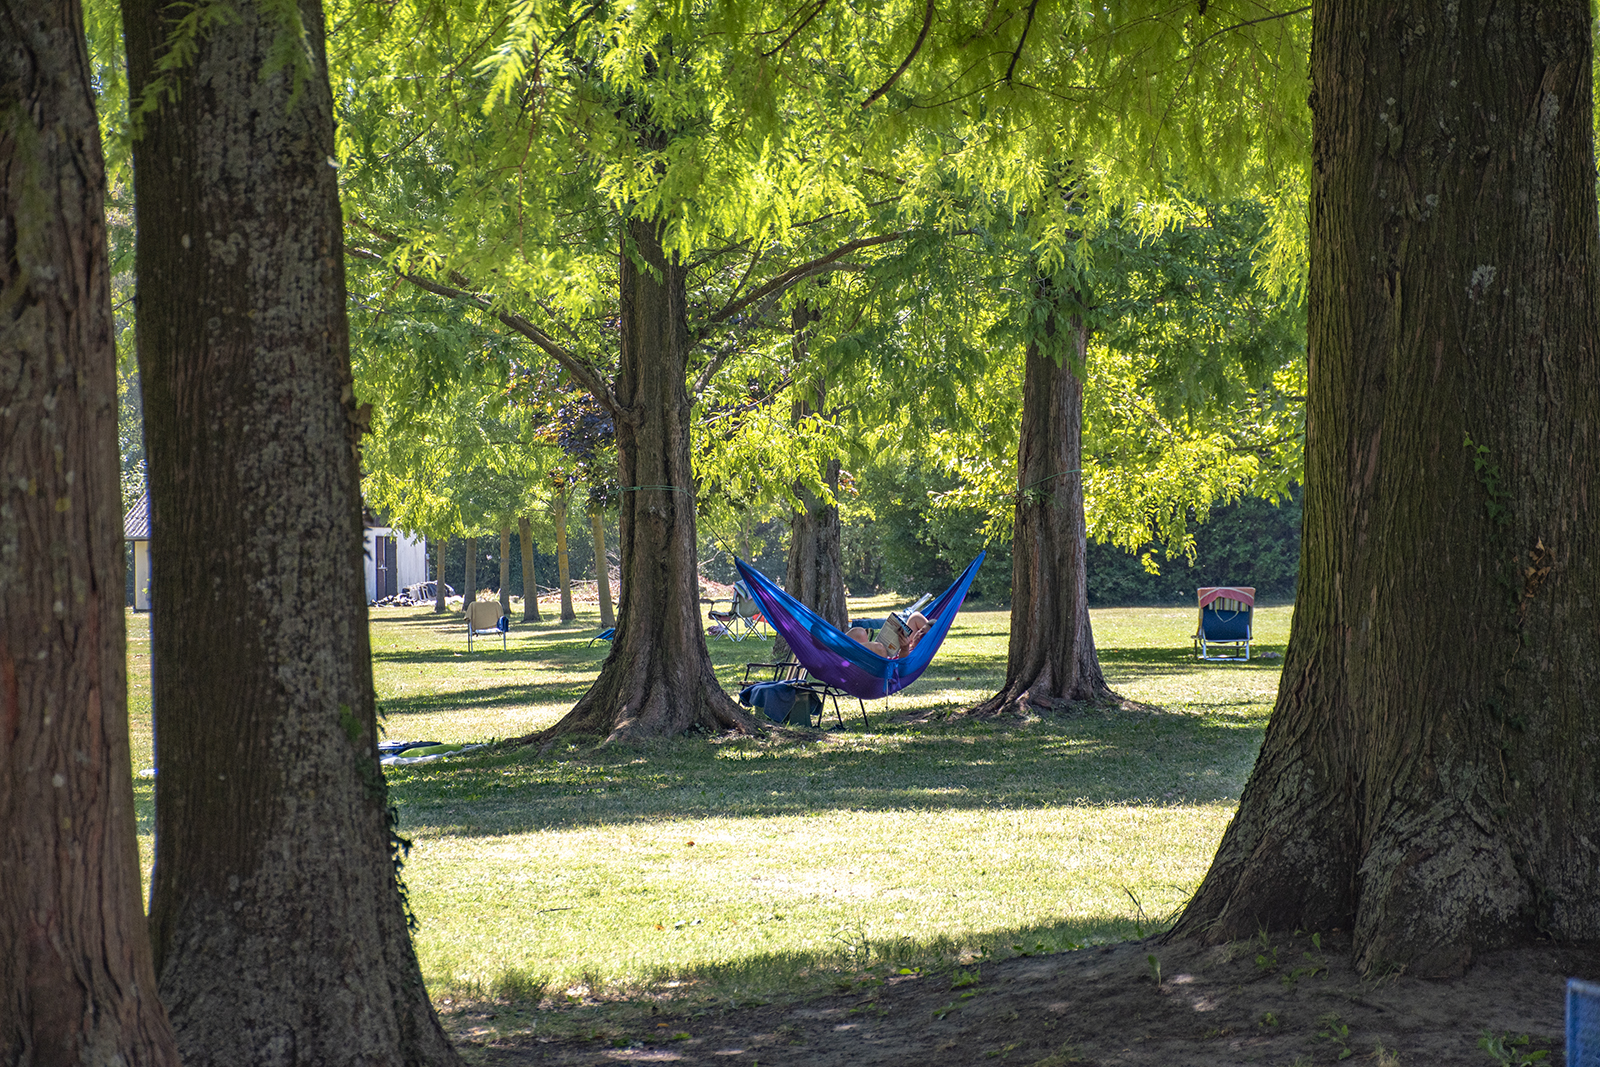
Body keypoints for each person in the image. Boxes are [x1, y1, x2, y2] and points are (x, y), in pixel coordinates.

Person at [847, 611, 931, 658]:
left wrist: (905, 649)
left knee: (879, 648)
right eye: (921, 630)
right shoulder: (911, 641)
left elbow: (902, 669)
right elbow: (916, 616)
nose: (919, 635)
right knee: (859, 632)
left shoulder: (917, 654)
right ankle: (837, 654)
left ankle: (839, 651)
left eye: (924, 636)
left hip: (883, 669)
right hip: (875, 657)